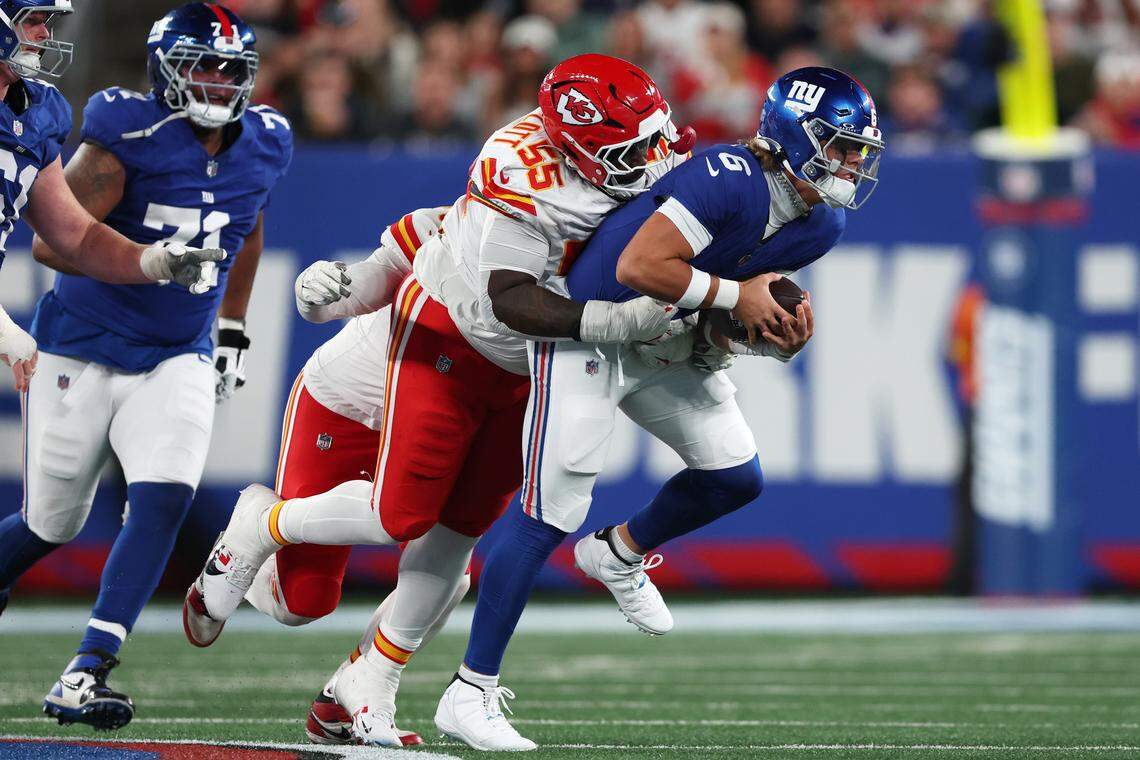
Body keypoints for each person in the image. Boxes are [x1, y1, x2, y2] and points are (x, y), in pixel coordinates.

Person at [185, 53, 695, 750]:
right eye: (630, 148)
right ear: (576, 145)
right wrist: (358, 286)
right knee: (348, 562)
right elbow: (506, 295)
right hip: (426, 355)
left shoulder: (628, 167)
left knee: (454, 540)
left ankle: (365, 687)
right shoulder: (519, 176)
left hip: (522, 371)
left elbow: (435, 223)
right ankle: (261, 523)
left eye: (651, 139)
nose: (653, 159)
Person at [440, 66, 884, 748]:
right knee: (547, 513)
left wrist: (767, 337)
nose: (852, 162)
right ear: (796, 135)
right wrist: (742, 301)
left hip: (660, 336)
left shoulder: (820, 226)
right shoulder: (730, 176)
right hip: (588, 329)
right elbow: (641, 266)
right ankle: (470, 691)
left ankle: (620, 553)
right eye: (841, 144)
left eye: (859, 149)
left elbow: (713, 302)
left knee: (735, 473)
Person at [0, 2, 292, 730]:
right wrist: (150, 263)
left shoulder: (266, 141)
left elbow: (246, 225)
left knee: (164, 497)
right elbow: (54, 241)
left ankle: (86, 669)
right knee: (51, 523)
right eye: (205, 66)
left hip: (178, 352)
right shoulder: (124, 130)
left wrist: (230, 328)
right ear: (168, 68)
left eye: (233, 70)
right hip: (84, 346)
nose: (221, 83)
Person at [185, 206, 454, 748]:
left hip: (442, 416)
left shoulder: (568, 258)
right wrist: (316, 295)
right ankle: (262, 523)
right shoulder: (454, 224)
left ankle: (350, 689)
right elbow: (359, 287)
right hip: (349, 404)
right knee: (302, 602)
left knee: (450, 561)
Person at [0, 0, 225, 394]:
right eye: (32, 21)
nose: (45, 34)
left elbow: (77, 236)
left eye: (45, 21)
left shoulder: (35, 110)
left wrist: (154, 260)